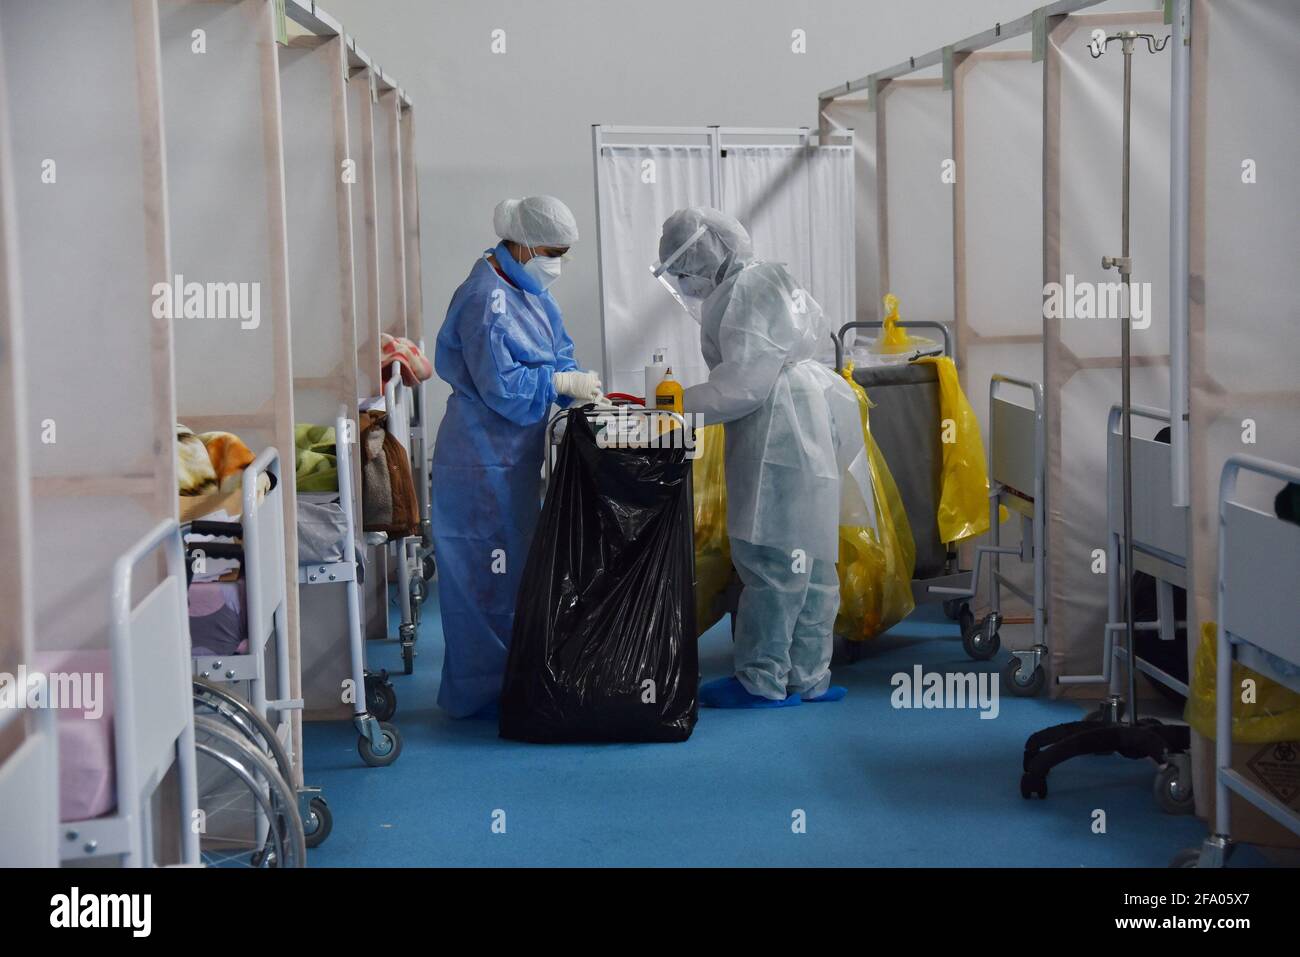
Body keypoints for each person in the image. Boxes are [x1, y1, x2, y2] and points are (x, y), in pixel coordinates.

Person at [653, 207, 871, 709]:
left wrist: (673, 404)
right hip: (805, 418)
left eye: (685, 269)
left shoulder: (747, 290)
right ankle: (809, 677)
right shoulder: (764, 279)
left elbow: (744, 386)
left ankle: (762, 679)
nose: (685, 282)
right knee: (811, 553)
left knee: (771, 553)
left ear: (710, 253)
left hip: (777, 426)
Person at [431, 196, 602, 718]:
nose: (558, 263)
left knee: (512, 571)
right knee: (484, 574)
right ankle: (481, 694)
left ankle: (508, 682)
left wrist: (580, 389)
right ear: (523, 243)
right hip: (481, 456)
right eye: (552, 252)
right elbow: (501, 386)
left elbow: (558, 351)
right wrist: (558, 383)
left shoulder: (527, 291)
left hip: (511, 453)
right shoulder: (487, 297)